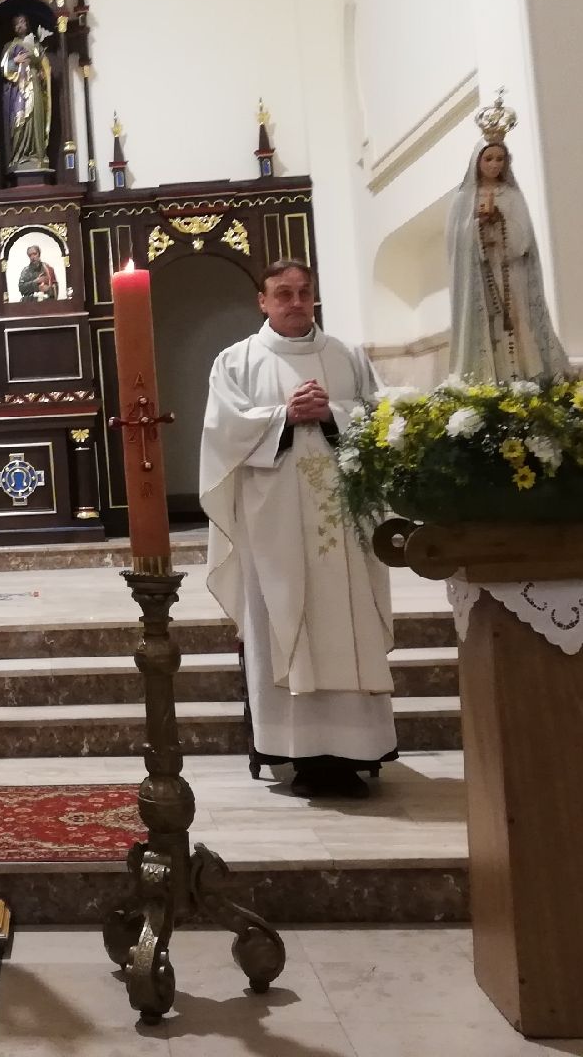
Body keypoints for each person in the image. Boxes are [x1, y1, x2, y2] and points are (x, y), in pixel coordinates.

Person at [198, 260, 396, 799]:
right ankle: (295, 749)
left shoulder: (347, 357)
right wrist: (282, 416)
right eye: (282, 293)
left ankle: (356, 750)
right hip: (274, 527)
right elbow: (221, 433)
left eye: (303, 292)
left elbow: (382, 419)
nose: (295, 302)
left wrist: (333, 415)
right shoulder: (236, 361)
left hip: (344, 524)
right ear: (262, 301)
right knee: (282, 622)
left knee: (347, 622)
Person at [447, 122, 567, 381]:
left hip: (512, 270)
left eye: (500, 159)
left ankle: (527, 377)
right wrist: (478, 226)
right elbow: (458, 245)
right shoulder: (463, 199)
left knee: (518, 318)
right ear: (477, 161)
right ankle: (491, 379)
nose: (494, 165)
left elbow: (523, 238)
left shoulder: (511, 195)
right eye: (488, 158)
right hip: (481, 273)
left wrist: (499, 222)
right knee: (488, 323)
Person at [0, 13, 52, 172]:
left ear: (27, 24)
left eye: (22, 22)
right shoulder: (9, 46)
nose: (20, 26)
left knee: (35, 118)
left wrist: (42, 72)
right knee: (19, 120)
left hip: (34, 86)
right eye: (16, 23)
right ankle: (19, 155)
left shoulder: (36, 45)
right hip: (19, 89)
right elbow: (3, 69)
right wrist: (15, 61)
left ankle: (37, 154)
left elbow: (45, 67)